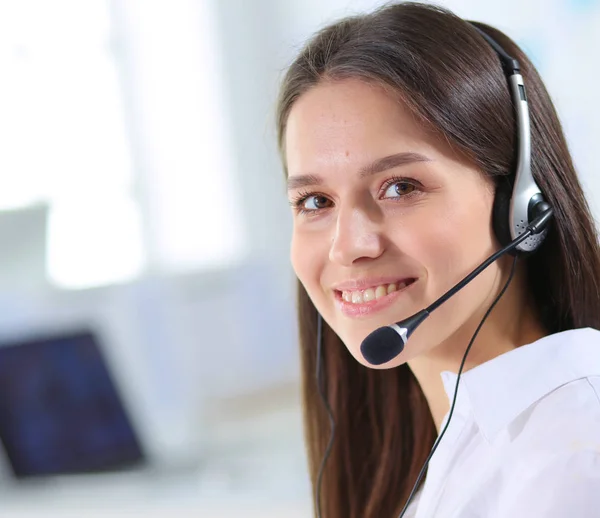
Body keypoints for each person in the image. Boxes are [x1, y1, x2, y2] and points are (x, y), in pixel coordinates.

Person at [275, 2, 600, 518]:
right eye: (315, 201)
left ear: (521, 205)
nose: (348, 245)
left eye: (400, 187)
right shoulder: (448, 453)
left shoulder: (571, 461)